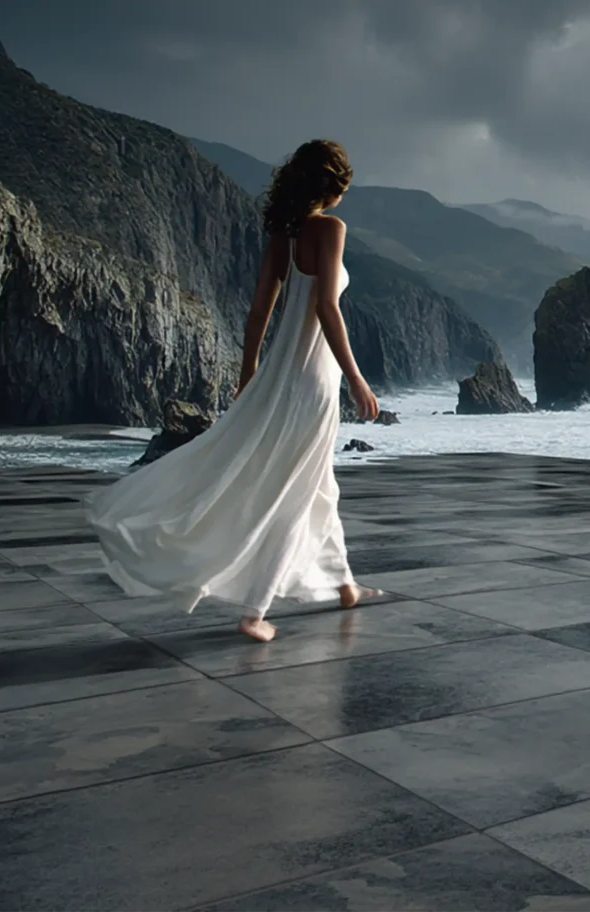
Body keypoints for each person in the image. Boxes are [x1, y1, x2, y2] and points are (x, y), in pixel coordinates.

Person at [84, 139, 382, 643]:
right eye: (341, 188)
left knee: (317, 483)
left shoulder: (283, 236)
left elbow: (258, 311)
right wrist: (357, 379)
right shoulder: (330, 229)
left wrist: (249, 374)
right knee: (297, 488)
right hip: (313, 380)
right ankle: (255, 611)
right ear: (330, 185)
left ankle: (346, 586)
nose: (341, 198)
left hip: (280, 374)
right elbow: (329, 308)